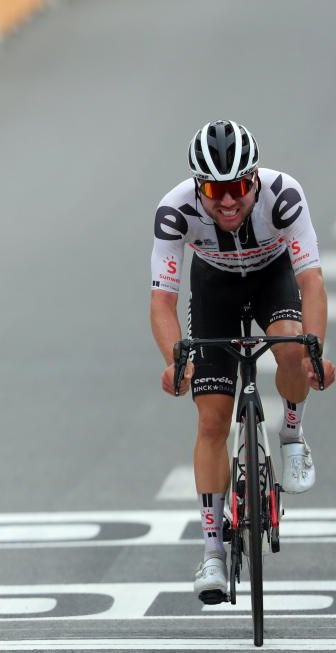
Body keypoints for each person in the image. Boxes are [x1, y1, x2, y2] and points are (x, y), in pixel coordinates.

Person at [150, 120, 336, 604]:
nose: (228, 201)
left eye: (238, 187)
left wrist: (316, 349)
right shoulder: (174, 211)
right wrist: (175, 360)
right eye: (214, 190)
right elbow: (163, 303)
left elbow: (312, 283)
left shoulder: (284, 196)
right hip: (214, 290)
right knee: (212, 420)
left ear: (254, 179)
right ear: (197, 186)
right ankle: (212, 550)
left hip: (273, 277)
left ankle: (292, 433)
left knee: (294, 349)